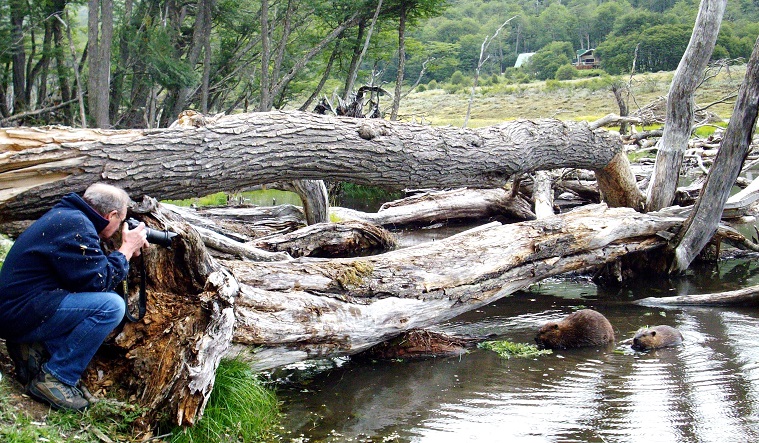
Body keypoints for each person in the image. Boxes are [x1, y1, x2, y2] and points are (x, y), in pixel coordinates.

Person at [0, 183, 149, 411]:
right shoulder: (76, 225)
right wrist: (127, 249)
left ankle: (34, 348)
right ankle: (56, 378)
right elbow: (100, 282)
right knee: (111, 306)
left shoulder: (68, 216)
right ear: (111, 215)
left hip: (18, 309)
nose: (121, 228)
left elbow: (83, 279)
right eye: (121, 221)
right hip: (18, 314)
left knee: (100, 301)